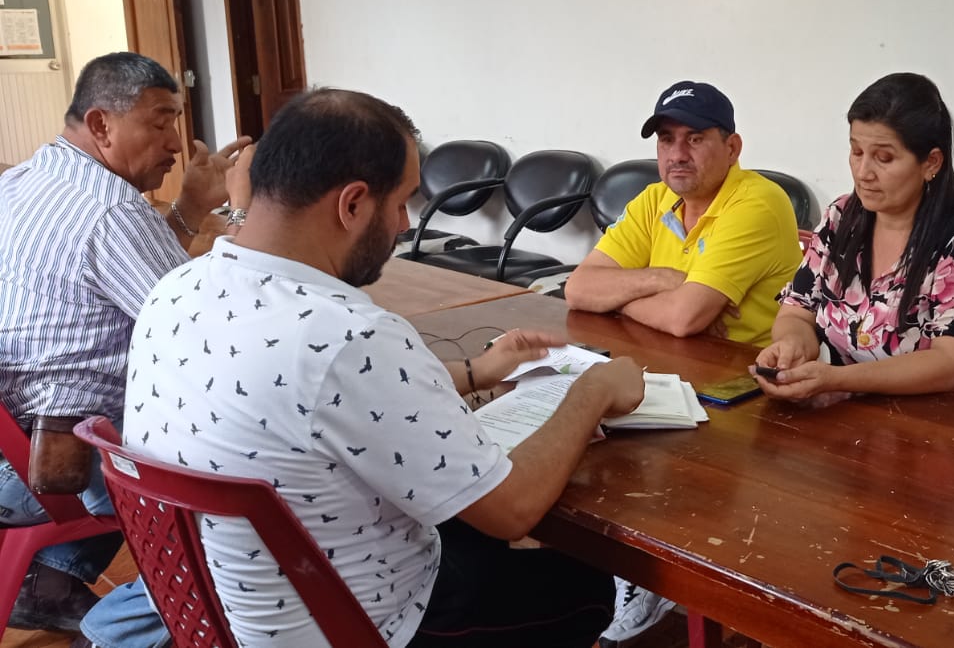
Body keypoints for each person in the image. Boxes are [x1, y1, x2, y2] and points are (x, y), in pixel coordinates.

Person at [122, 88, 645, 647]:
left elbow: (323, 395)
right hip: (357, 628)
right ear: (352, 204)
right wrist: (590, 391)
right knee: (583, 585)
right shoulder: (348, 335)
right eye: (401, 203)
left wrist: (476, 370)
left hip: (218, 613)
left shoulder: (176, 288)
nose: (402, 224)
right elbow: (512, 509)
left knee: (463, 525)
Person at [0, 51, 249, 642]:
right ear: (102, 124)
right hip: (47, 468)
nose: (175, 143)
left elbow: (138, 277)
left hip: (16, 441)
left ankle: (51, 580)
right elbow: (215, 332)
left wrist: (191, 208)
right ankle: (117, 632)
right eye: (160, 122)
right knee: (248, 504)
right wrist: (242, 212)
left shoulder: (23, 179)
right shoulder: (111, 210)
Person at [755, 73, 954, 404]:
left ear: (931, 162)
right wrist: (792, 346)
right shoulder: (841, 217)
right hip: (851, 414)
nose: (863, 172)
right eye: (856, 151)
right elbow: (796, 313)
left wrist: (836, 379)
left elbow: (952, 363)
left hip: (939, 423)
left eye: (884, 158)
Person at [564, 81, 802, 345]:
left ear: (732, 148)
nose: (677, 155)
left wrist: (615, 302)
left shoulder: (757, 203)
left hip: (738, 363)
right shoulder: (655, 198)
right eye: (666, 139)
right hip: (661, 351)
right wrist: (660, 279)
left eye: (695, 139)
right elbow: (578, 289)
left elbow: (681, 318)